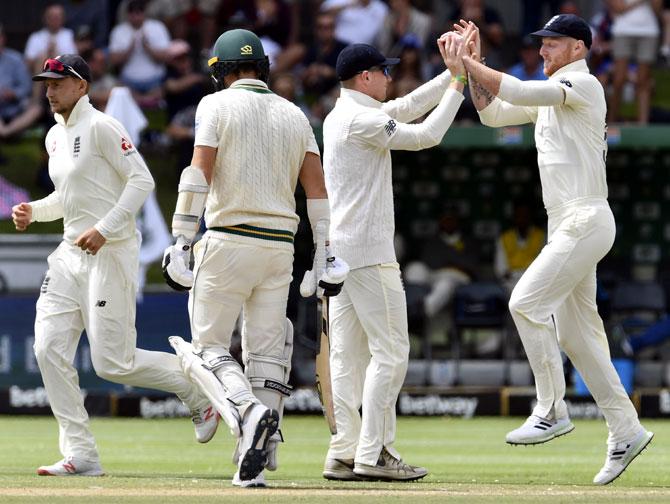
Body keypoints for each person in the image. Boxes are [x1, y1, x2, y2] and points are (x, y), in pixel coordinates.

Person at [459, 14, 653, 485]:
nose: (543, 51)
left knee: (524, 304)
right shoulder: (550, 95)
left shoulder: (582, 86)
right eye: (542, 45)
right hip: (566, 224)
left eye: (553, 44)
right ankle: (626, 429)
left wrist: (469, 61)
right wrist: (472, 68)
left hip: (586, 218)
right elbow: (492, 114)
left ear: (579, 49)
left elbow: (520, 92)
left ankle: (550, 409)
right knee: (578, 337)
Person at [11, 54, 216, 477]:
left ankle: (197, 391)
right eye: (46, 84)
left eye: (57, 83)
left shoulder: (104, 127)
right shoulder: (54, 137)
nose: (49, 91)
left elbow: (143, 181)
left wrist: (104, 228)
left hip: (112, 252)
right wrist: (35, 210)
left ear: (81, 86)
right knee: (47, 349)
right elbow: (67, 201)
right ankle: (81, 454)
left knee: (112, 363)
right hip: (69, 256)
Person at [162, 29, 348, 487]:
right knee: (267, 350)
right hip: (279, 249)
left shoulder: (214, 106)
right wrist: (324, 253)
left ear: (220, 72)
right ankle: (260, 455)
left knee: (206, 349)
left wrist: (181, 240)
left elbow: (197, 172)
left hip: (227, 239)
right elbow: (317, 191)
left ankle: (248, 412)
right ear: (262, 68)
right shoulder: (295, 113)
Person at [321, 29, 471, 481]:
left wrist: (450, 73)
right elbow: (425, 135)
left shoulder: (341, 114)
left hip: (343, 253)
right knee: (392, 352)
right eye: (384, 72)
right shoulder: (359, 121)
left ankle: (343, 451)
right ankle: (374, 454)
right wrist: (459, 86)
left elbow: (401, 110)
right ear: (365, 77)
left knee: (349, 359)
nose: (389, 78)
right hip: (368, 252)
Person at [606, 0, 662, 124]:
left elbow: (658, 10)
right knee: (618, 79)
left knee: (644, 80)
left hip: (649, 31)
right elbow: (618, 8)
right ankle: (611, 121)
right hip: (622, 31)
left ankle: (642, 125)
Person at [494, 199, 546, 294]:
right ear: (514, 217)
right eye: (519, 215)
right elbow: (501, 270)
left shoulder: (541, 236)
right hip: (511, 283)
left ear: (530, 216)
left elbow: (546, 266)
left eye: (525, 215)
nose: (522, 218)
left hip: (535, 281)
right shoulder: (504, 238)